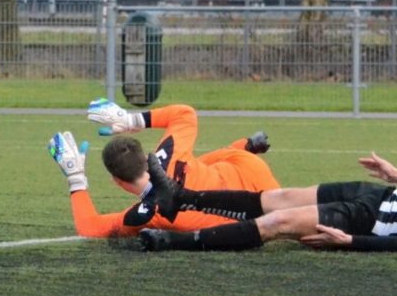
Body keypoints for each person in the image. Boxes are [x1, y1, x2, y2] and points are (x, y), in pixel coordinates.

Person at [139, 132, 397, 253]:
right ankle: (180, 197)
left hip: (371, 222)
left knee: (277, 223)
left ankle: (170, 241)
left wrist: (351, 242)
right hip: (375, 196)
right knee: (278, 198)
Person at [47, 99, 281, 237]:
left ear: (117, 181)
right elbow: (185, 113)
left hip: (251, 216)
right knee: (200, 164)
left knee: (199, 172)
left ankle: (244, 147)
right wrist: (131, 120)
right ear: (145, 157)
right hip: (253, 174)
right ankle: (245, 146)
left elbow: (90, 227)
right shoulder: (166, 153)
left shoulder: (149, 213)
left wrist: (75, 176)